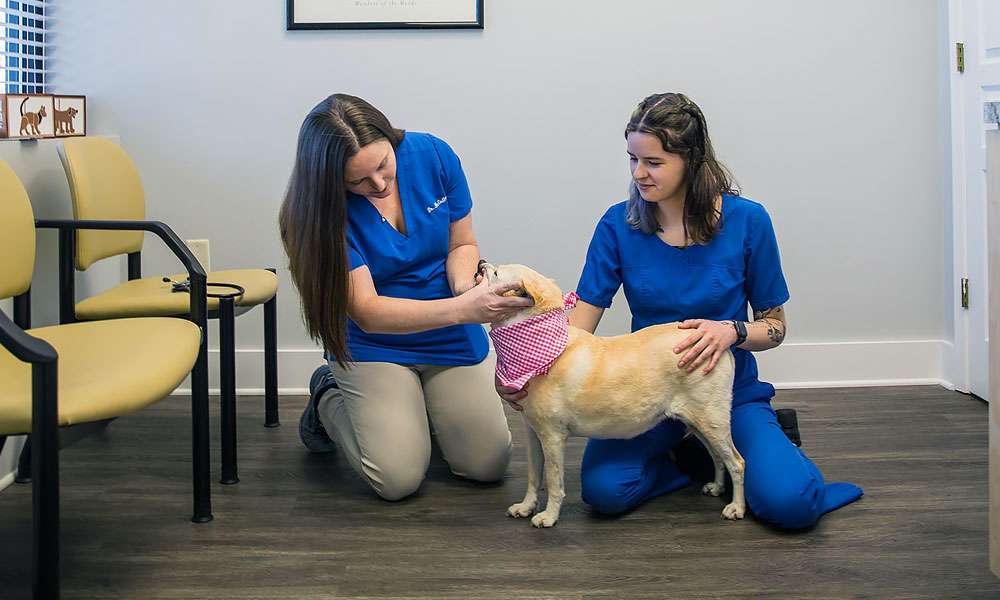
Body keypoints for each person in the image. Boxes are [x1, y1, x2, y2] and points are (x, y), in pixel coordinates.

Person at [498, 92, 863, 529]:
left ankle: (761, 449)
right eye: (632, 159)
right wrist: (527, 372)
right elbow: (576, 330)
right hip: (637, 395)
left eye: (653, 162)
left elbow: (776, 328)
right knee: (603, 494)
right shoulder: (618, 225)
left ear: (690, 159)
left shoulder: (749, 221)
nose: (638, 174)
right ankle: (688, 455)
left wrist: (732, 331)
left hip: (725, 390)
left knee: (792, 506)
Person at [280, 94, 533, 501]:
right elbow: (368, 313)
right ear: (330, 181)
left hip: (449, 327)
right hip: (376, 342)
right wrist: (462, 309)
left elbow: (462, 243)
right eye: (357, 182)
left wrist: (468, 288)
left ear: (390, 140)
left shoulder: (433, 154)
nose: (378, 185)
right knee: (396, 480)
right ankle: (328, 395)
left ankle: (419, 412)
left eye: (383, 166)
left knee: (486, 466)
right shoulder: (314, 215)